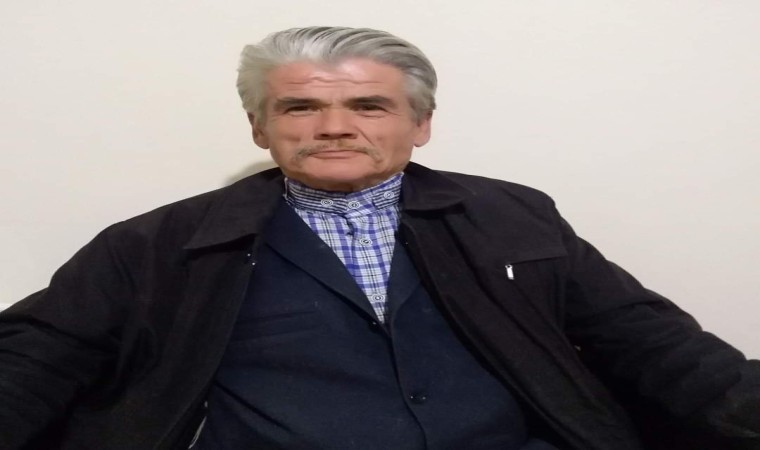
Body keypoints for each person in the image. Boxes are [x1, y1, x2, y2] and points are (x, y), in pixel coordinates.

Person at [0, 26, 758, 450]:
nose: (334, 127)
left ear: (420, 124)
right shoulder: (153, 245)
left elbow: (651, 341)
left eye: (369, 106)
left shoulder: (514, 216)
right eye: (300, 108)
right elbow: (33, 362)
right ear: (259, 127)